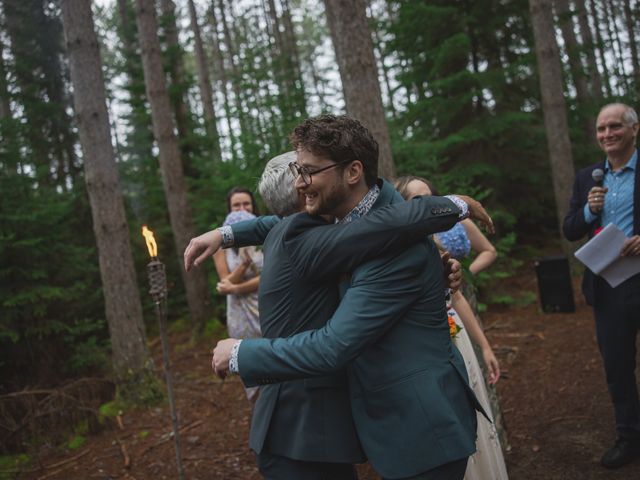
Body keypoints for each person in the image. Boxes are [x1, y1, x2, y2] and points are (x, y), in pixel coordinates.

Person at [206, 115, 492, 479]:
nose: (299, 183)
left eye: (308, 172)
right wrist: (225, 234)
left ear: (353, 172)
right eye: (297, 171)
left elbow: (334, 345)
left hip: (418, 428)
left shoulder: (392, 244)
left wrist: (240, 353)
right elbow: (282, 224)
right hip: (385, 421)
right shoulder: (345, 221)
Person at [395, 177, 508, 480]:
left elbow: (456, 298)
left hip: (455, 331)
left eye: (430, 196)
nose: (428, 203)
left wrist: (484, 347)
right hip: (424, 345)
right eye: (417, 200)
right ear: (402, 206)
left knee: (471, 402)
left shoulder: (442, 244)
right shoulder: (398, 248)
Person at [563, 103, 640, 469]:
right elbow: (570, 229)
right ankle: (630, 437)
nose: (607, 134)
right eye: (601, 129)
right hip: (608, 287)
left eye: (614, 127)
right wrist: (590, 211)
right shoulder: (587, 178)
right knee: (618, 366)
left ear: (634, 129)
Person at [394, 176, 497, 275]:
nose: (430, 203)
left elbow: (489, 251)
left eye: (431, 197)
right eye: (420, 200)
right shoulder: (402, 238)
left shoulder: (458, 222)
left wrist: (466, 273)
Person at [216, 209, 263, 402]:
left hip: (261, 302)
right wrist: (243, 265)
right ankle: (258, 402)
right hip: (239, 311)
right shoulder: (222, 247)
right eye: (236, 204)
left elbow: (268, 275)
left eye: (245, 203)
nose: (241, 207)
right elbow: (224, 283)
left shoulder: (262, 241)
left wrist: (236, 288)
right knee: (246, 357)